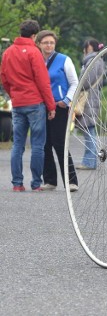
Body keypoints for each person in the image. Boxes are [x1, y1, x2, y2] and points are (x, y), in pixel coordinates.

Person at [0, 20, 56, 191]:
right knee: (37, 144)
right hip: (35, 103)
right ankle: (36, 183)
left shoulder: (8, 52)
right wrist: (51, 105)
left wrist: (13, 94)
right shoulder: (34, 52)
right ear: (34, 36)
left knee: (17, 144)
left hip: (17, 103)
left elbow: (4, 78)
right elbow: (43, 80)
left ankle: (17, 183)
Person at [36, 30, 80, 191]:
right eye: (45, 42)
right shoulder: (36, 59)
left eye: (52, 42)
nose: (49, 45)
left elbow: (75, 82)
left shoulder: (64, 59)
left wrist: (66, 100)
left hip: (60, 107)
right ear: (39, 44)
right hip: (41, 107)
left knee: (60, 143)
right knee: (44, 144)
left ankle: (71, 181)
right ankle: (50, 180)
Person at [76, 39, 104, 170]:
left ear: (89, 48)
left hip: (89, 99)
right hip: (92, 98)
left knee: (89, 130)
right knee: (89, 129)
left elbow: (86, 81)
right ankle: (89, 161)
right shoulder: (98, 60)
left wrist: (78, 86)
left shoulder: (93, 61)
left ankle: (89, 161)